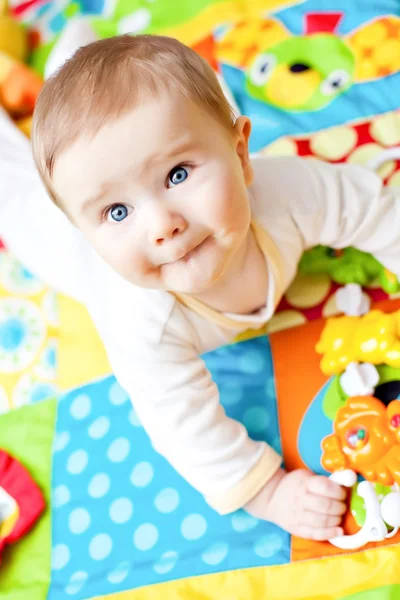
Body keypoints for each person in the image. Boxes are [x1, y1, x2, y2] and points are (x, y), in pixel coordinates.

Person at [2, 34, 400, 541]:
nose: (162, 226)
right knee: (14, 196)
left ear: (241, 153)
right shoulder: (143, 324)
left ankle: (74, 52)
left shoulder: (288, 196)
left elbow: (374, 210)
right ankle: (64, 68)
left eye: (178, 174)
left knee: (99, 105)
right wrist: (269, 492)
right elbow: (185, 427)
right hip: (56, 240)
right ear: (90, 232)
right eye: (117, 212)